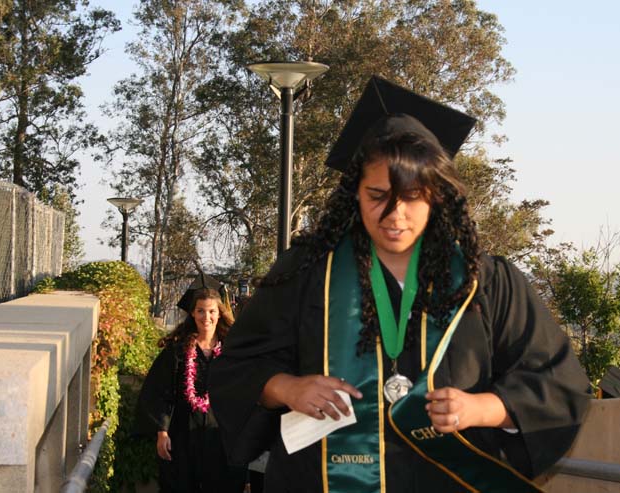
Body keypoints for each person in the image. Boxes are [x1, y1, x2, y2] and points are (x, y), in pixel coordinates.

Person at [210, 76, 591, 493]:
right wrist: (287, 387)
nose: (394, 215)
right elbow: (235, 368)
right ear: (354, 192)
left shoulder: (486, 283)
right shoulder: (307, 272)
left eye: (411, 196)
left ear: (436, 196)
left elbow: (558, 386)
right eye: (377, 195)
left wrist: (480, 408)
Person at [135, 274, 247, 493]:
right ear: (193, 314)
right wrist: (162, 431)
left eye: (212, 311)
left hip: (221, 435)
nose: (207, 317)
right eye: (201, 311)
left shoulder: (233, 351)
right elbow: (160, 392)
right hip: (183, 435)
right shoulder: (178, 351)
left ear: (219, 313)